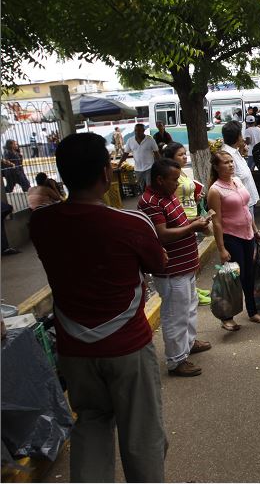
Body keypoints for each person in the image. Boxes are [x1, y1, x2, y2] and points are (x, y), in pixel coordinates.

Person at [29, 133, 167, 482]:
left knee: (90, 424)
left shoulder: (42, 223)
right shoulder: (132, 224)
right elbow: (158, 263)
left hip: (75, 351)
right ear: (107, 174)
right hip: (128, 349)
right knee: (142, 435)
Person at [139, 159, 211, 377]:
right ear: (159, 180)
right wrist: (193, 227)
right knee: (175, 314)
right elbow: (162, 234)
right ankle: (176, 360)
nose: (177, 183)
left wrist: (195, 222)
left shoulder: (167, 194)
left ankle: (188, 344)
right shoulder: (150, 201)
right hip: (172, 269)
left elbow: (177, 225)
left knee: (189, 306)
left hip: (185, 264)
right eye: (173, 179)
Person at [207, 150, 260, 330]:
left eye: (231, 162)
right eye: (225, 163)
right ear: (217, 167)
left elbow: (246, 207)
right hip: (231, 237)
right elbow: (216, 221)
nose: (230, 165)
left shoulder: (238, 181)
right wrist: (221, 248)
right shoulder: (215, 190)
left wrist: (255, 229)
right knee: (233, 278)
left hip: (247, 235)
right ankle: (227, 317)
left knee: (248, 275)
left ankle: (252, 311)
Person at [162, 142, 212, 305]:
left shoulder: (182, 173)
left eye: (185, 154)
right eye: (180, 154)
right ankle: (192, 293)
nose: (185, 157)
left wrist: (196, 197)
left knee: (192, 255)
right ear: (170, 158)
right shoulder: (171, 176)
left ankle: (194, 289)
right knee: (184, 257)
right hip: (181, 218)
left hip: (191, 215)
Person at [220, 121, 259, 217]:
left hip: (247, 202)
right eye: (241, 135)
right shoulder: (228, 156)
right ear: (236, 137)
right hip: (241, 205)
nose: (243, 138)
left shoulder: (235, 152)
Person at [117, 123, 160, 192]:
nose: (137, 132)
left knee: (150, 186)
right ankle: (145, 199)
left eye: (139, 130)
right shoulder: (130, 141)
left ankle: (151, 200)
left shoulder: (150, 140)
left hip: (149, 167)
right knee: (142, 187)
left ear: (143, 130)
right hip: (138, 169)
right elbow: (125, 154)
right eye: (136, 130)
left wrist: (161, 164)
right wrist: (119, 164)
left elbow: (156, 153)